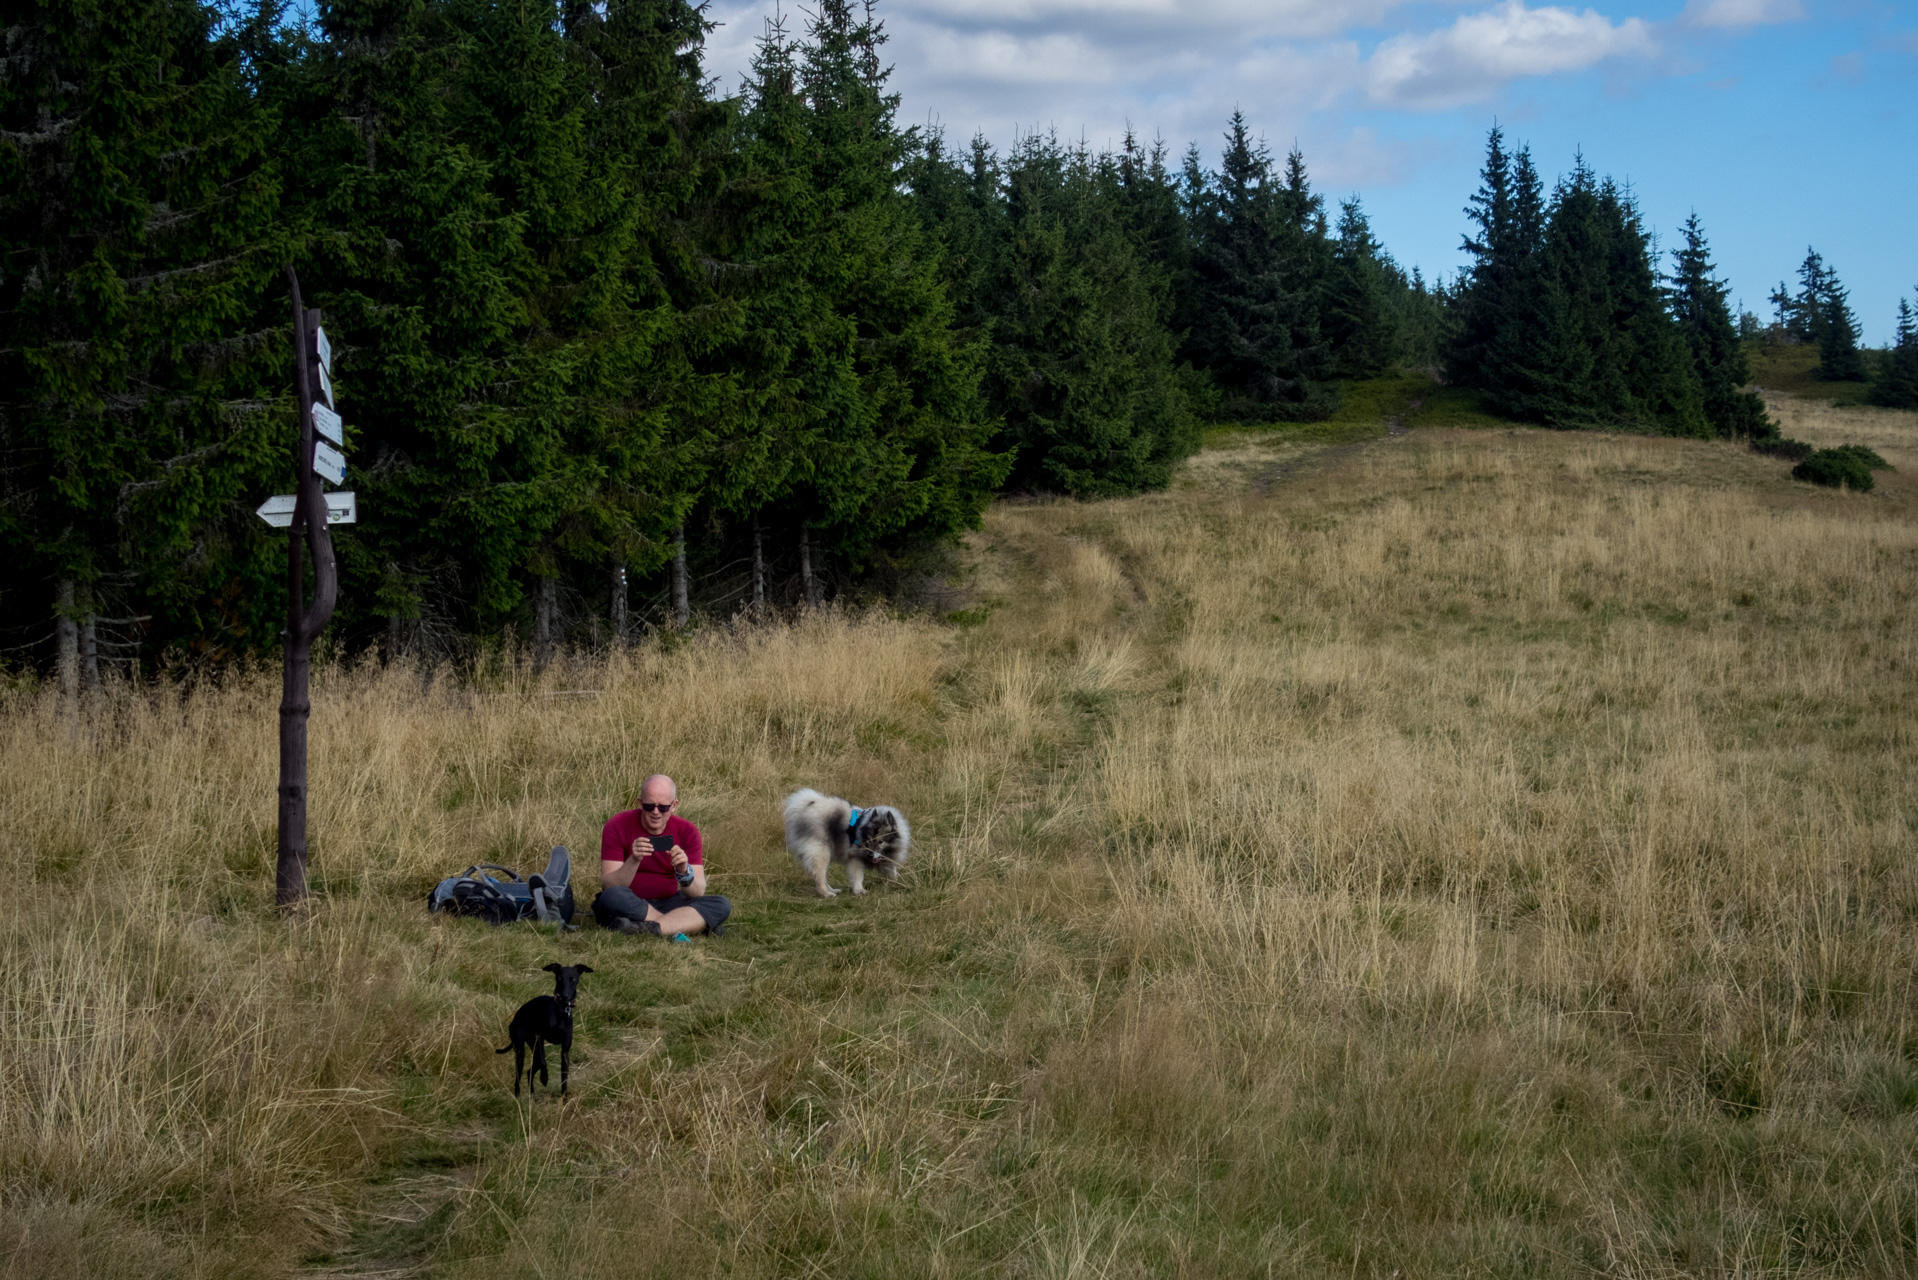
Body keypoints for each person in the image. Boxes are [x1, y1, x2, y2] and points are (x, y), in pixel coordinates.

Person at [593, 773, 731, 939]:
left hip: (671, 901)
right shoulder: (616, 826)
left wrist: (683, 871)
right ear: (640, 803)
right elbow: (609, 885)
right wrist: (634, 860)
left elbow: (697, 892)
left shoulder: (688, 831)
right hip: (632, 902)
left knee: (721, 904)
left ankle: (648, 928)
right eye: (649, 806)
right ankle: (688, 925)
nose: (656, 812)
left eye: (663, 807)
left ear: (674, 805)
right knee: (611, 898)